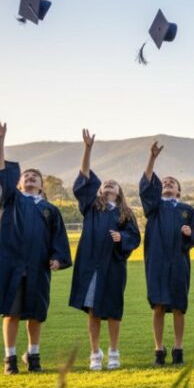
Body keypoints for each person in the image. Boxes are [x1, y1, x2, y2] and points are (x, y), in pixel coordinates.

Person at [0, 117, 71, 374]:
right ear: (19, 183)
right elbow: (0, 169)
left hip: (38, 266)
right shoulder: (11, 200)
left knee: (36, 312)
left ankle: (33, 356)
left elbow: (58, 239)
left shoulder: (50, 210)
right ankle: (9, 359)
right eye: (26, 176)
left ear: (42, 186)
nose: (31, 178)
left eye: (35, 176)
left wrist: (58, 259)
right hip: (12, 264)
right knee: (10, 312)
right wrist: (0, 140)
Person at [69, 129, 141, 371]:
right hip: (92, 266)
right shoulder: (91, 207)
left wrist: (122, 237)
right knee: (92, 310)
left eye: (114, 184)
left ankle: (113, 351)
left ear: (120, 192)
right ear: (99, 190)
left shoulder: (125, 213)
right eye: (105, 183)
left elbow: (135, 237)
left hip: (113, 266)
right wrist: (87, 149)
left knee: (112, 310)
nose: (109, 184)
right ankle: (94, 353)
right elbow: (84, 177)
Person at [140, 140, 194, 366]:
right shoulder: (154, 207)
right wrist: (152, 159)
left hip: (178, 263)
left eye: (172, 182)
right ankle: (159, 349)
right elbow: (146, 185)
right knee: (157, 305)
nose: (167, 183)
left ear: (179, 190)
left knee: (178, 306)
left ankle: (178, 348)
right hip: (156, 262)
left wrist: (190, 233)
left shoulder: (187, 211)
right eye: (164, 182)